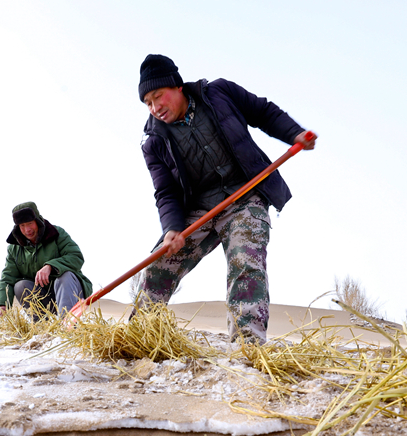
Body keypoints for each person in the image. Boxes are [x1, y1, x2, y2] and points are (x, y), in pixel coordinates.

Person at [136, 54, 317, 343]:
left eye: (158, 96)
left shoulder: (219, 94)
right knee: (158, 265)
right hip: (199, 210)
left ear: (178, 86)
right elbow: (166, 191)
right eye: (147, 102)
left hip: (246, 198)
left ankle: (248, 346)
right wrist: (171, 229)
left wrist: (294, 133)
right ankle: (137, 337)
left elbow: (263, 112)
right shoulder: (154, 142)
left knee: (246, 264)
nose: (155, 107)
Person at [0, 202, 93, 318]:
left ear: (38, 220)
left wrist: (51, 266)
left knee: (64, 277)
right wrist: (1, 304)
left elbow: (76, 257)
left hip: (71, 293)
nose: (27, 230)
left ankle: (67, 325)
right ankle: (41, 327)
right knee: (20, 285)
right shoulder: (14, 248)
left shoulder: (57, 234)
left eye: (30, 223)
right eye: (22, 226)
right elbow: (8, 278)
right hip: (45, 298)